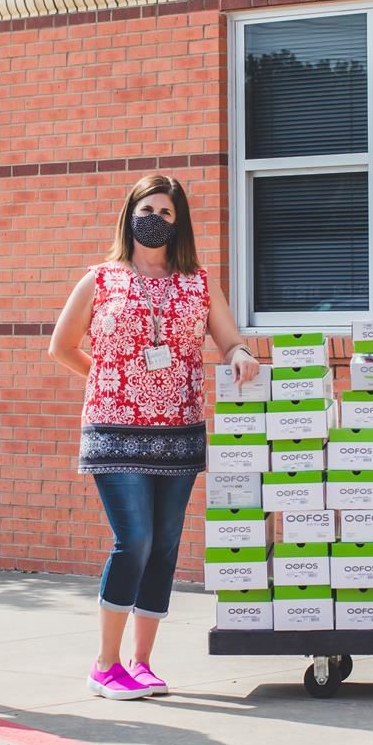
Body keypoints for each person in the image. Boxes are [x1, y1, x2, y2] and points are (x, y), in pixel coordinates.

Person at [49, 173, 260, 702]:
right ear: (130, 213)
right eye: (148, 209)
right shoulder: (100, 279)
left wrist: (240, 355)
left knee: (164, 547)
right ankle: (104, 664)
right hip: (115, 433)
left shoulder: (199, 282)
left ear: (179, 222)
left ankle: (141, 664)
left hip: (180, 433)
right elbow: (62, 345)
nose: (156, 220)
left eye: (167, 214)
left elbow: (228, 338)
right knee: (135, 540)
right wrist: (108, 378)